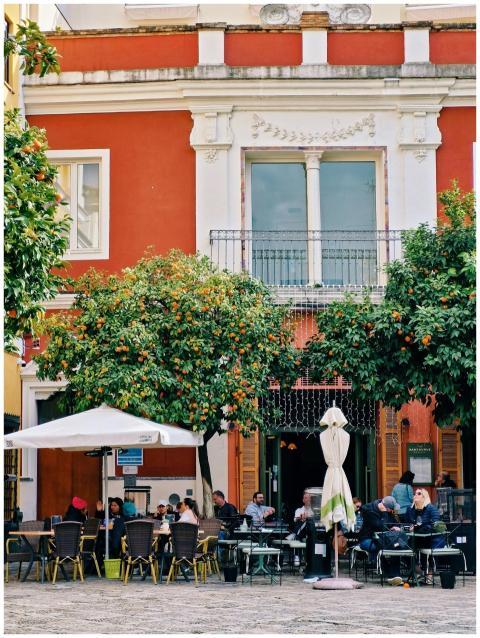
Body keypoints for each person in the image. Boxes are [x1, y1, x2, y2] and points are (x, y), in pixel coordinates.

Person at [358, 495, 404, 585]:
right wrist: (384, 513)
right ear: (386, 508)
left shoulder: (388, 511)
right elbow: (380, 526)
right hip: (367, 539)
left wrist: (396, 527)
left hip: (384, 539)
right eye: (391, 509)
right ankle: (390, 575)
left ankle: (395, 575)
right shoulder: (369, 511)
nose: (392, 511)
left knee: (397, 545)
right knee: (380, 547)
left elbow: (394, 523)